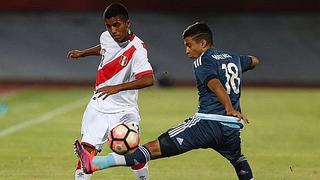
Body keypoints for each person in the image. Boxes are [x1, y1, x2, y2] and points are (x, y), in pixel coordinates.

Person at [74, 22, 259, 180]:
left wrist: (228, 107)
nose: (187, 50)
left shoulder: (203, 61)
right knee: (237, 159)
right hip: (231, 128)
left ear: (202, 43)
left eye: (189, 45)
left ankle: (95, 163)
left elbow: (214, 83)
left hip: (207, 124)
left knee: (152, 149)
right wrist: (237, 65)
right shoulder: (233, 59)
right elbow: (254, 60)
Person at [67, 3, 154, 180]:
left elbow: (148, 79)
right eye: (109, 26)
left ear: (127, 23)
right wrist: (83, 53)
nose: (113, 30)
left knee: (133, 151)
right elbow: (103, 47)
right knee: (87, 152)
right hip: (98, 106)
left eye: (117, 25)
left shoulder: (137, 49)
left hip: (125, 110)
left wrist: (117, 88)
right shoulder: (106, 37)